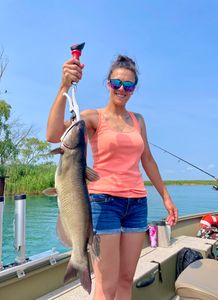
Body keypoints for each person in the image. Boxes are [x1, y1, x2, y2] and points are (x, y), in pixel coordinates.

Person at [46, 54, 178, 300]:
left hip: (137, 205)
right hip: (103, 204)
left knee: (126, 280)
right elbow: (53, 134)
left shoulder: (138, 120)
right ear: (108, 83)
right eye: (116, 83)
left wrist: (166, 197)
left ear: (134, 89)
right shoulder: (93, 117)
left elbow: (147, 159)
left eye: (128, 85)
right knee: (106, 285)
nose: (121, 89)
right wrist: (64, 85)